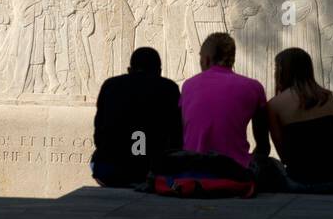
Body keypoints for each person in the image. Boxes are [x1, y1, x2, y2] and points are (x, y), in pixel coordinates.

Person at [259, 48, 333, 194]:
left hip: (301, 184)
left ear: (281, 72)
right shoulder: (329, 98)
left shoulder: (274, 105)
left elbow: (285, 157)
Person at [90, 47, 182, 188]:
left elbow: (99, 133)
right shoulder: (169, 88)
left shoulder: (110, 86)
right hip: (153, 170)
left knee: (98, 160)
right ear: (159, 71)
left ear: (129, 69)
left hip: (112, 170)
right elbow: (176, 135)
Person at [179, 32, 271, 174]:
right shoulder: (253, 87)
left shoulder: (188, 85)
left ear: (206, 59)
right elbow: (263, 146)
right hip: (235, 172)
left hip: (192, 171)